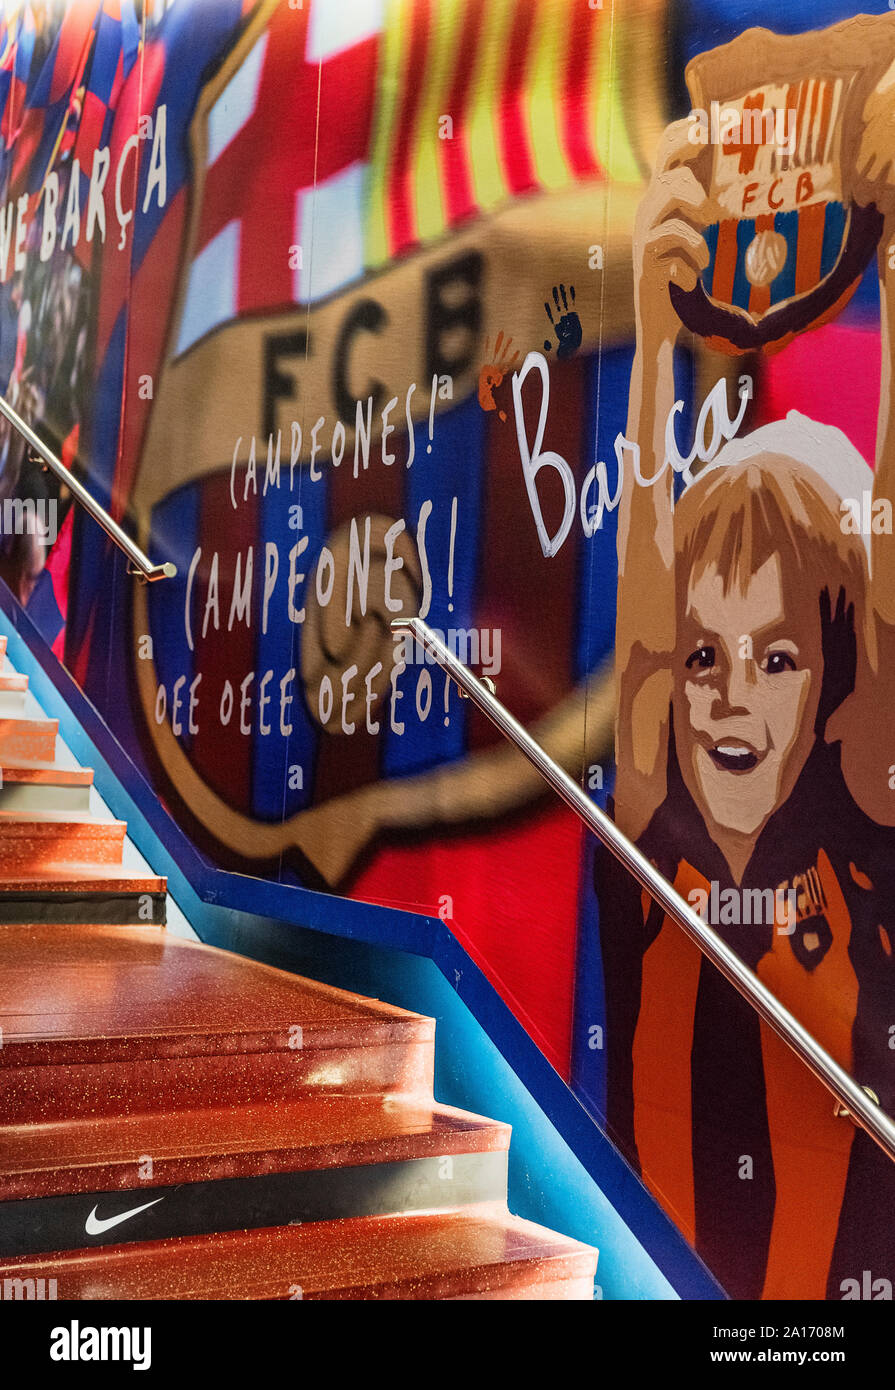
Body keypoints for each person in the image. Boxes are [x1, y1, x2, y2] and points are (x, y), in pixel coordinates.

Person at [597, 117, 895, 1299]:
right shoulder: (650, 846)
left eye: (777, 661)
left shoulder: (857, 843)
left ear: (832, 693)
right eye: (706, 654)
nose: (724, 691)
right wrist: (651, 350)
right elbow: (639, 623)